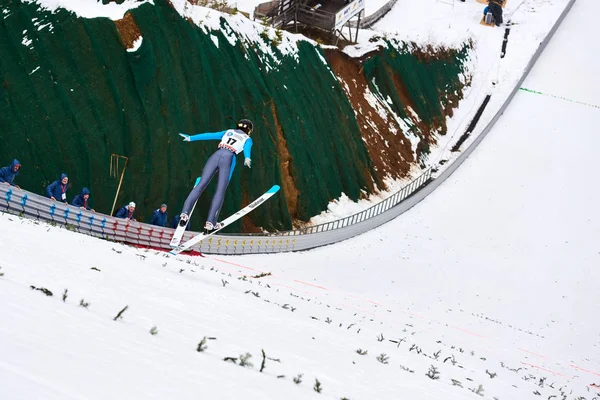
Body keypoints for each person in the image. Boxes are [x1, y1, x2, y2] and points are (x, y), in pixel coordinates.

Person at [178, 119, 253, 233]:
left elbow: (209, 135)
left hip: (216, 155)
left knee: (200, 185)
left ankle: (184, 214)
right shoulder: (248, 139)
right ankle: (210, 222)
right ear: (248, 130)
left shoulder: (228, 131)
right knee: (220, 191)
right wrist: (247, 157)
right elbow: (247, 148)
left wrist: (191, 138)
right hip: (229, 158)